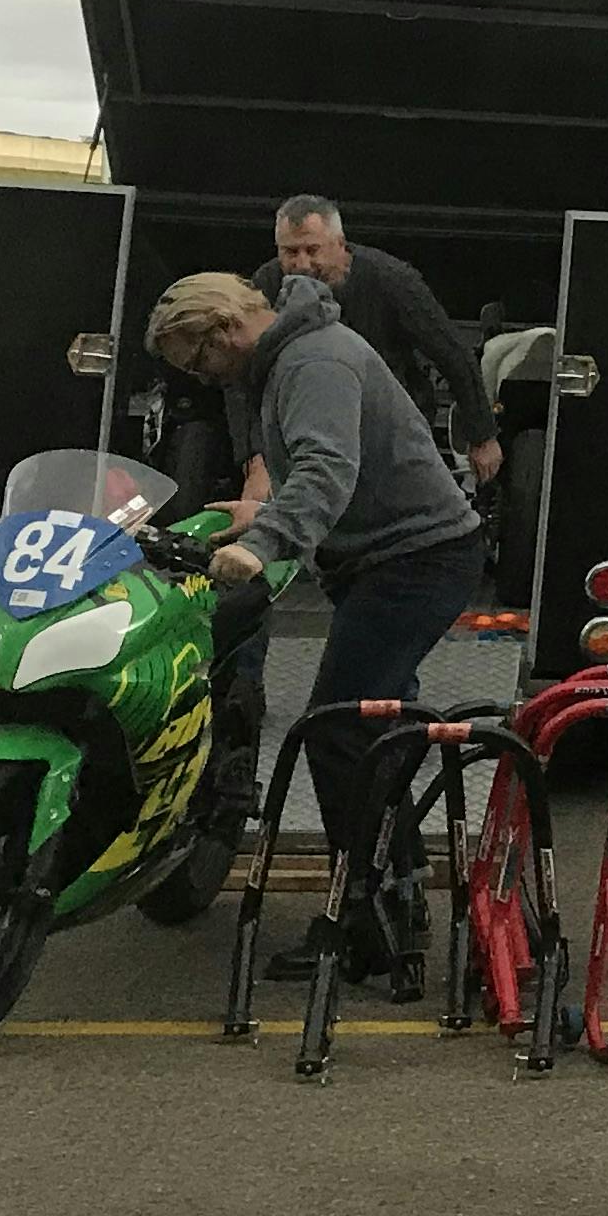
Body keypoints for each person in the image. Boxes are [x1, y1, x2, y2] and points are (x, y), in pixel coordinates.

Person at [144, 269, 486, 967]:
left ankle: (364, 927)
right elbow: (333, 470)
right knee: (372, 726)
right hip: (397, 559)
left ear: (229, 329)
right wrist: (261, 512)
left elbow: (328, 470)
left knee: (338, 731)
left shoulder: (314, 360)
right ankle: (401, 894)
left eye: (198, 359)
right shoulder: (293, 357)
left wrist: (262, 546)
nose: (204, 377)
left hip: (417, 560)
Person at [252, 195, 504, 484]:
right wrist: (255, 458)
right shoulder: (265, 286)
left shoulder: (392, 280)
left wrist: (482, 436)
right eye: (290, 252)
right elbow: (244, 377)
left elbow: (451, 352)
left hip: (390, 427)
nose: (302, 264)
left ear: (339, 243)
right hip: (303, 426)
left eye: (312, 250)